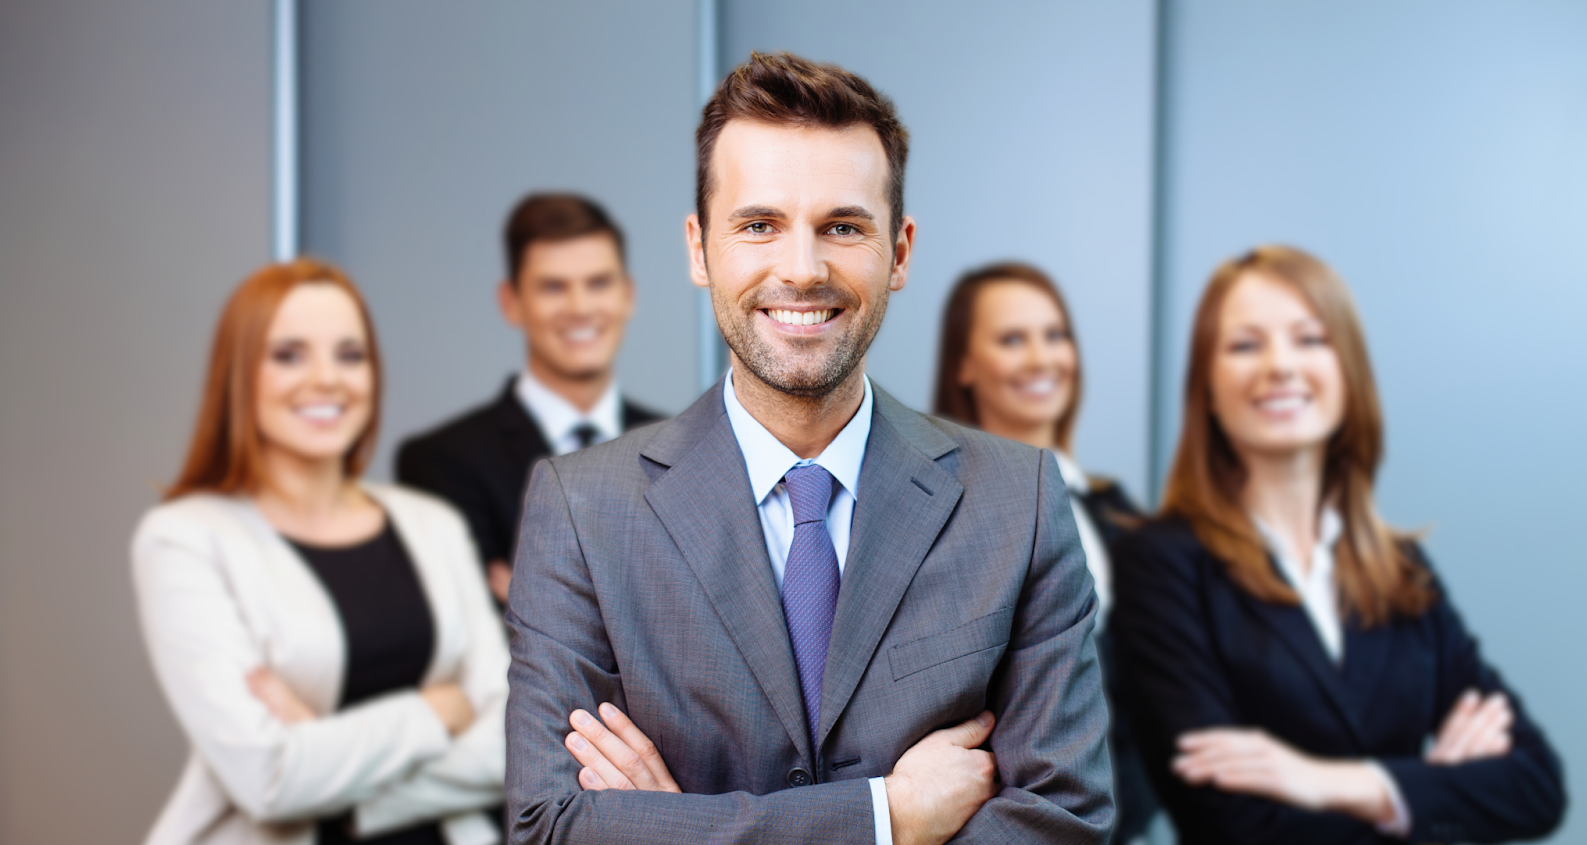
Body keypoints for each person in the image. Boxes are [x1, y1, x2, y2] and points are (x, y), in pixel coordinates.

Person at [502, 51, 1113, 845]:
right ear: (699, 248)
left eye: (843, 227)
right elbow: (551, 829)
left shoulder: (1015, 501)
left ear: (900, 252)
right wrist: (888, 817)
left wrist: (676, 827)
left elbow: (1062, 822)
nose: (801, 269)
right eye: (759, 226)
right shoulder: (584, 510)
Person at [1110, 245, 1565, 843]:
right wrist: (1425, 791)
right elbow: (1230, 822)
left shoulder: (1401, 570)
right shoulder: (1160, 564)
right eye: (1244, 345)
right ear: (1208, 391)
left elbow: (1537, 784)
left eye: (1310, 339)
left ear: (1348, 372)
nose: (1280, 365)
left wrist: (1330, 782)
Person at [132, 259, 510, 845]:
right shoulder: (184, 539)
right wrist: (434, 713)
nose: (327, 379)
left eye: (350, 355)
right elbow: (269, 780)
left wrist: (331, 768)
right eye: (289, 355)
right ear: (239, 373)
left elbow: (511, 745)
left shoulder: (433, 524)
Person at [932, 262, 1158, 844]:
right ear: (964, 364)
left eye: (1055, 336)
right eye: (1013, 339)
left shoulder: (1119, 515)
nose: (1042, 359)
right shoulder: (931, 514)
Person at [397, 193, 665, 604]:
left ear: (628, 295)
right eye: (553, 287)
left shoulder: (684, 448)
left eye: (598, 283)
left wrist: (537, 600)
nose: (580, 307)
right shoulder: (440, 464)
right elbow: (475, 628)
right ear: (512, 302)